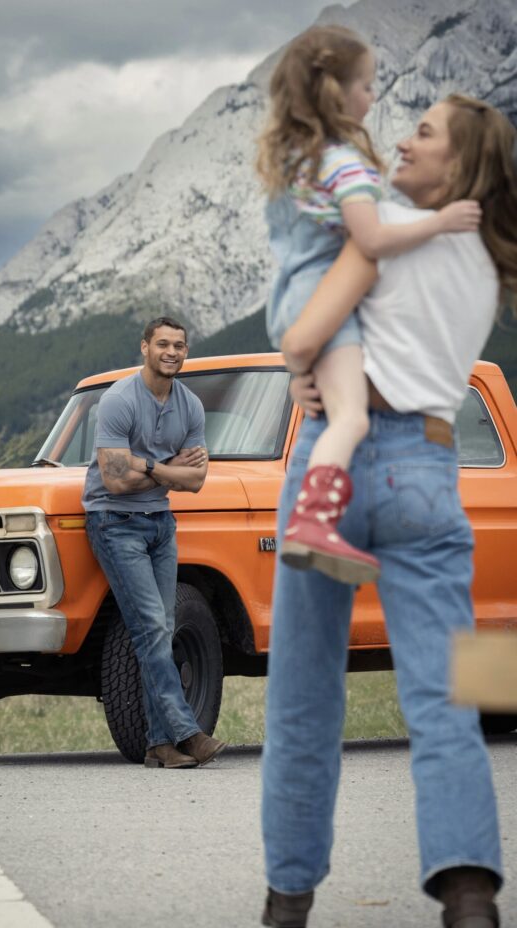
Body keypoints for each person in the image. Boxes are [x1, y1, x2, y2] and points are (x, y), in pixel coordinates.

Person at [261, 95, 517, 928]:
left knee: (303, 698)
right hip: (429, 470)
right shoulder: (485, 263)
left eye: (426, 132)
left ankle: (288, 901)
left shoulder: (383, 230)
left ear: (464, 162)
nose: (404, 138)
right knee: (453, 695)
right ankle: (470, 897)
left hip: (331, 458)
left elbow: (305, 336)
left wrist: (305, 365)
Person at [256, 25, 481, 585]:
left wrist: (299, 368)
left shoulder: (295, 166)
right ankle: (315, 520)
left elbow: (300, 338)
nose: (373, 96)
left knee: (335, 402)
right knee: (351, 416)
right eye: (366, 84)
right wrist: (441, 222)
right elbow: (371, 241)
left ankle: (315, 521)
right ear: (336, 92)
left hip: (292, 300)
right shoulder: (345, 164)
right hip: (323, 300)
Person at [83, 317, 227, 769]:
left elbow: (198, 480)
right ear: (144, 347)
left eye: (179, 345)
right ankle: (187, 732)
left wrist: (147, 468)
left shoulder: (191, 406)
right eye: (162, 343)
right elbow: (113, 478)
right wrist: (167, 468)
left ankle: (158, 746)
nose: (171, 351)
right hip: (115, 523)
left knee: (160, 629)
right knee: (151, 627)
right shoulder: (119, 400)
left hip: (160, 525)